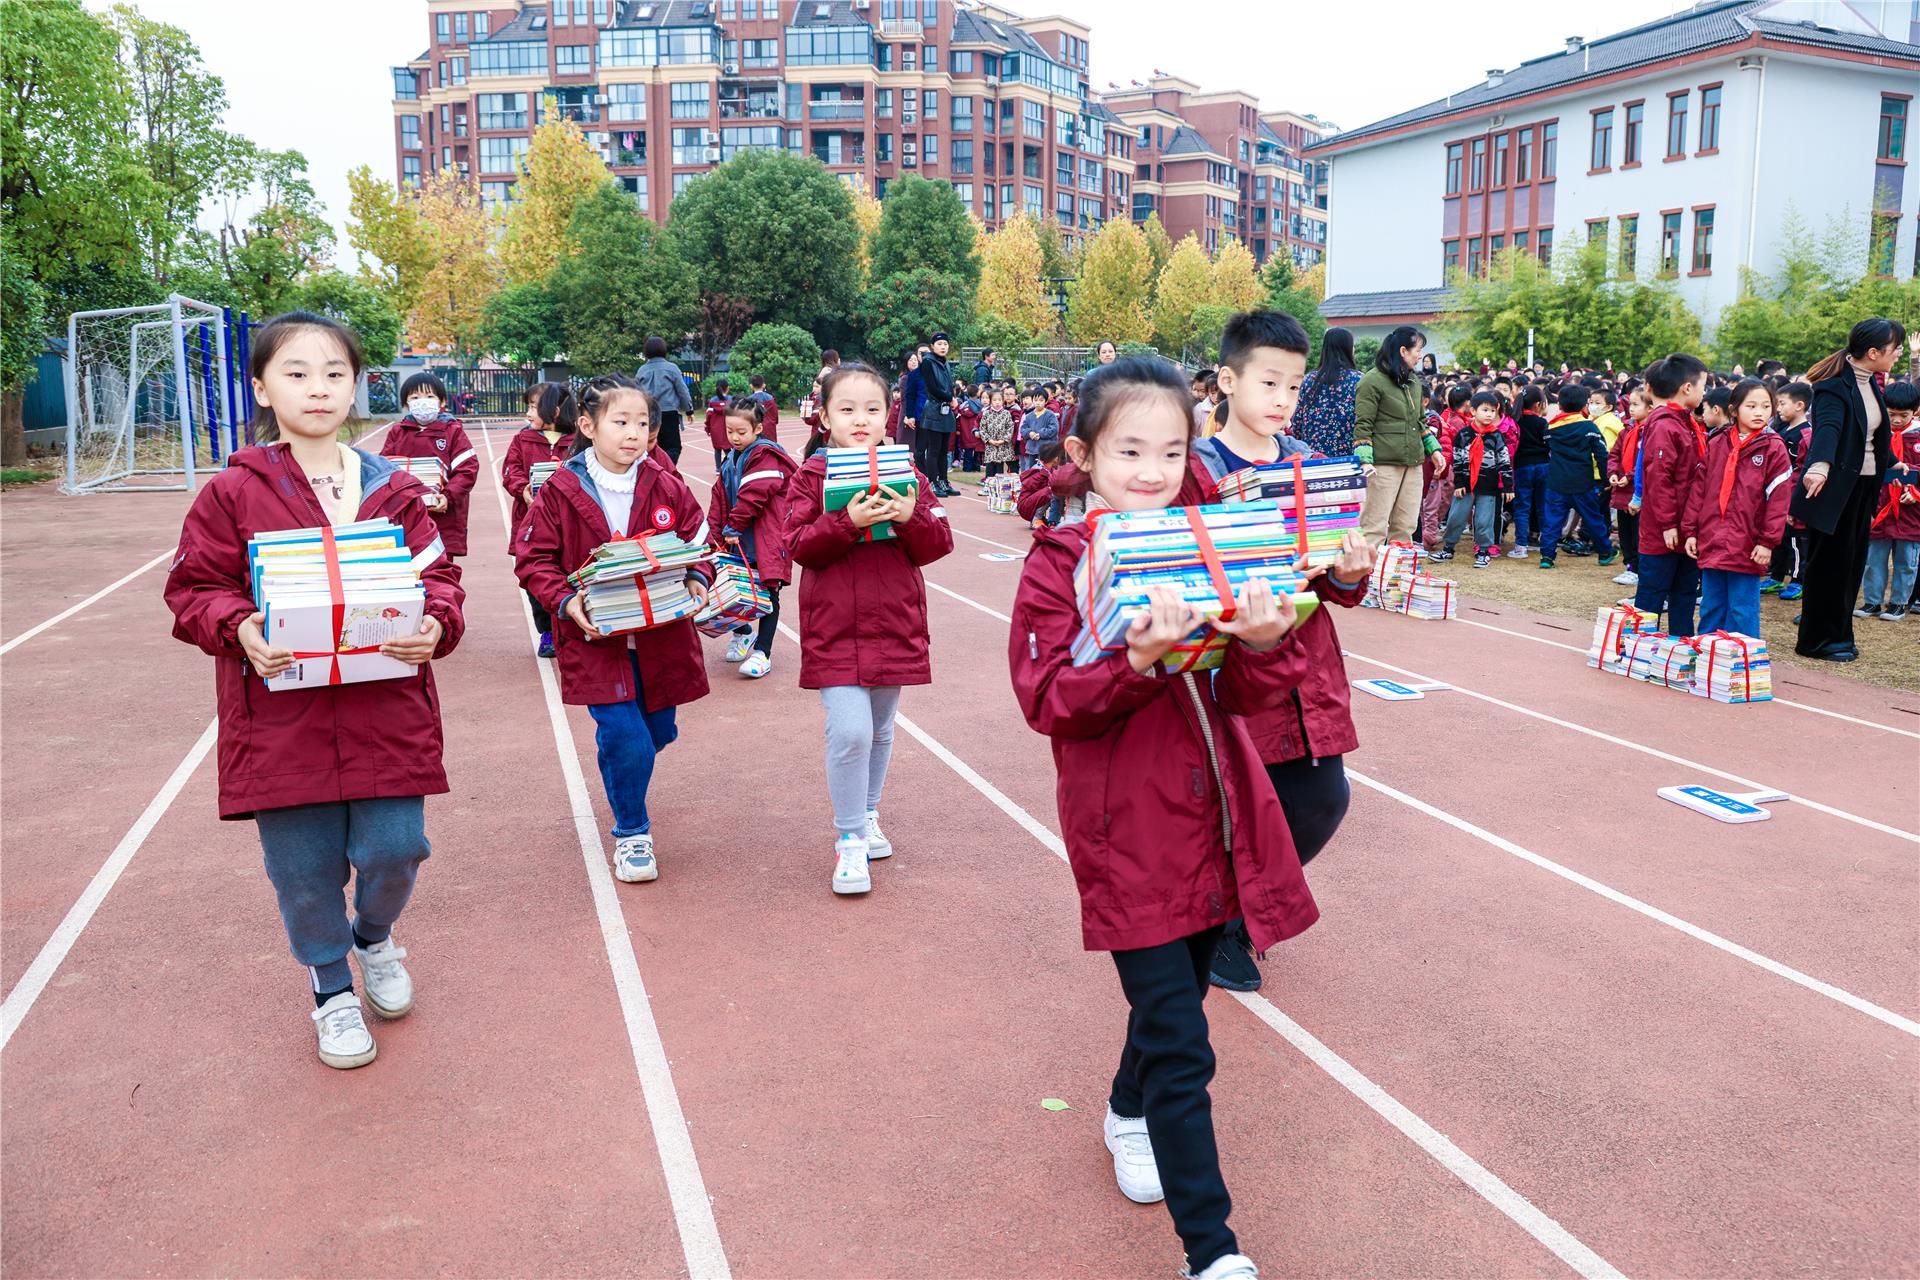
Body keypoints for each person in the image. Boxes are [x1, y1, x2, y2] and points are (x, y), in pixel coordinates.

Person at [1009, 354, 1314, 1280]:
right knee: (1185, 1039)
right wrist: (1133, 663)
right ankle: (1211, 1251)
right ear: (1085, 453)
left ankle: (1124, 1108)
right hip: (1127, 833)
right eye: (1129, 450)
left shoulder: (1208, 539)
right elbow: (1049, 701)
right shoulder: (1058, 563)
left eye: (1172, 452)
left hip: (1219, 818)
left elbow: (1252, 696)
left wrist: (1265, 643)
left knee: (1169, 1008)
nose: (1151, 471)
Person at [163, 311, 464, 1070]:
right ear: (262, 387)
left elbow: (439, 580)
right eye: (296, 373)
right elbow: (195, 587)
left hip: (386, 713)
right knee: (302, 873)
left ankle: (373, 937)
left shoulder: (392, 489)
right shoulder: (232, 492)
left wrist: (436, 624)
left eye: (334, 372)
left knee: (398, 849)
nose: (318, 388)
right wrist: (239, 628)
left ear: (357, 385)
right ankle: (331, 988)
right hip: (281, 723)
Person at [1183, 309, 1375, 995]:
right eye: (1269, 383)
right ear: (1228, 380)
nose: (1282, 401)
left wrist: (1349, 570)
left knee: (1322, 798)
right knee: (1225, 805)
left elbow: (1336, 587)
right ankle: (1209, 921)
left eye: (1294, 387)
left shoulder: (1312, 467)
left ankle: (1231, 917)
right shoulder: (1195, 471)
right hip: (1227, 665)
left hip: (1305, 664)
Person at [514, 374, 713, 885]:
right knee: (628, 739)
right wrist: (564, 601)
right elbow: (533, 558)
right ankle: (633, 832)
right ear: (588, 425)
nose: (633, 433)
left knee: (657, 733)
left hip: (660, 637)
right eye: (620, 421)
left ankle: (622, 760)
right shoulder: (562, 488)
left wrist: (696, 577)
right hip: (596, 639)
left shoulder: (666, 483)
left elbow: (699, 540)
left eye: (643, 424)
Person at [786, 362, 954, 895]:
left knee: (880, 729)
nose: (861, 419)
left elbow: (937, 546)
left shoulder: (910, 473)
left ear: (890, 414)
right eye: (847, 409)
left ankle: (869, 810)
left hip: (895, 619)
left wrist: (912, 516)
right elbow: (795, 545)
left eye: (873, 409)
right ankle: (850, 840)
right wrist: (845, 523)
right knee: (851, 731)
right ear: (826, 416)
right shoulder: (810, 475)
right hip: (834, 624)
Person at [1794, 319, 1909, 660]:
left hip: (1862, 489)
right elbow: (1828, 430)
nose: (1899, 353)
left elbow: (1868, 432)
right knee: (1829, 566)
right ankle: (1816, 641)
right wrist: (1819, 466)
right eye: (1895, 348)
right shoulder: (1833, 387)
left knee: (1850, 566)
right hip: (1834, 490)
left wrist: (1890, 462)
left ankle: (1839, 636)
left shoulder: (1871, 383)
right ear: (1873, 353)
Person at [1681, 378, 1792, 637]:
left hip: (1747, 542)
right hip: (1712, 536)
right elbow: (1699, 490)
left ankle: (1741, 664)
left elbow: (1778, 500)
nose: (1759, 412)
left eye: (1765, 406)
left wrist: (1767, 542)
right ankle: (1707, 657)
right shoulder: (1718, 442)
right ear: (1734, 410)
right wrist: (1691, 531)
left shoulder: (1773, 447)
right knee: (1711, 606)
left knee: (1743, 609)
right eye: (1751, 406)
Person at [708, 395, 796, 678]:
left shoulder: (765, 455)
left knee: (768, 593)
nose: (734, 437)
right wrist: (716, 531)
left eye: (741, 432)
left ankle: (763, 651)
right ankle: (744, 632)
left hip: (765, 539)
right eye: (730, 431)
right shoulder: (731, 459)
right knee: (732, 586)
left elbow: (753, 496)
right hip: (739, 539)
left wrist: (732, 526)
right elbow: (719, 496)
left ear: (758, 428)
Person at [1634, 354, 1711, 637]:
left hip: (1686, 527)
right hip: (1664, 530)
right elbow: (1659, 478)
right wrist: (1668, 523)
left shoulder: (1685, 422)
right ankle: (1638, 648)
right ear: (1687, 388)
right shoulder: (1665, 424)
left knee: (1684, 593)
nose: (1705, 392)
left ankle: (1681, 648)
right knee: (1652, 595)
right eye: (1703, 385)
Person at [501, 382, 579, 657]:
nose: (529, 412)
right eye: (529, 406)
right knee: (535, 577)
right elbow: (510, 471)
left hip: (568, 525)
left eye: (534, 406)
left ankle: (569, 626)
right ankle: (546, 630)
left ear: (555, 410)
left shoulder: (578, 441)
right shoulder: (522, 440)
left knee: (567, 573)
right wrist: (522, 489)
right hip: (530, 525)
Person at [1355, 325, 1443, 543]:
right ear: (1403, 351)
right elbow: (1363, 424)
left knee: (1406, 526)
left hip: (1412, 462)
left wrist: (1434, 450)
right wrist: (1365, 460)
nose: (1420, 356)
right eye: (1417, 350)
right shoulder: (1371, 381)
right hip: (1383, 464)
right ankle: (1366, 575)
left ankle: (1396, 575)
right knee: (1374, 526)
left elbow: (1420, 421)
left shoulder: (1413, 381)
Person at [382, 373, 478, 559]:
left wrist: (448, 497)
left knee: (442, 568)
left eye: (429, 396)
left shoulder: (453, 432)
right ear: (406, 404)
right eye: (415, 398)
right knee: (409, 565)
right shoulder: (397, 432)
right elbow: (384, 470)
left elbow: (467, 469)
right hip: (406, 512)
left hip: (443, 514)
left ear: (441, 401)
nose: (422, 402)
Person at [1538, 384, 1618, 569]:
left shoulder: (1551, 428)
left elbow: (1547, 448)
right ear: (1584, 405)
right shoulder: (1589, 427)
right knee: (1593, 518)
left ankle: (1547, 557)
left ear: (1560, 405)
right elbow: (1602, 454)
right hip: (1583, 482)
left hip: (1556, 482)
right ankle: (1605, 553)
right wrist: (1605, 480)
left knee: (1552, 521)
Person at [1858, 380, 1919, 621]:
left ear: (1914, 411)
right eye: (1890, 414)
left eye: (1902, 415)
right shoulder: (1874, 435)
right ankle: (1872, 601)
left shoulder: (1917, 436)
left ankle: (1898, 602)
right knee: (1874, 560)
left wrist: (1915, 493)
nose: (1895, 420)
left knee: (1906, 562)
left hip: (1911, 513)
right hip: (1880, 508)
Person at [1438, 392, 1513, 568]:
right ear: (1473, 411)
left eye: (1493, 411)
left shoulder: (1497, 436)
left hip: (1489, 487)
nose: (1489, 414)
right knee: (1456, 517)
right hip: (1465, 486)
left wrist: (1508, 486)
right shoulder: (1463, 435)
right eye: (1485, 410)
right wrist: (1459, 483)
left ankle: (1483, 552)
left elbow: (1504, 461)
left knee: (1483, 521)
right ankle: (1448, 548)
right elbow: (1457, 461)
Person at [1761, 382, 1814, 601]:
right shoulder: (1783, 431)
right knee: (1780, 538)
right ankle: (1776, 575)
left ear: (1800, 405)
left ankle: (1798, 580)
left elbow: (1803, 472)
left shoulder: (1805, 436)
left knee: (1796, 542)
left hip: (1795, 499)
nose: (1778, 409)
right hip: (1778, 497)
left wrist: (1795, 502)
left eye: (1782, 403)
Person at [1291, 326, 1362, 457]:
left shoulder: (1309, 380)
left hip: (1313, 457)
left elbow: (1297, 421)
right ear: (1348, 348)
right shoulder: (1359, 380)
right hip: (1348, 457)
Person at [1604, 384, 1650, 585]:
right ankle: (1630, 565)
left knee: (1637, 530)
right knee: (1624, 530)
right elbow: (1614, 453)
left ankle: (1639, 568)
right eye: (1630, 404)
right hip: (1622, 489)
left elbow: (1645, 461)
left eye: (1636, 405)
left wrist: (1630, 476)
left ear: (1650, 407)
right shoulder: (1627, 429)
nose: (1631, 408)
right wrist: (1613, 472)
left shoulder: (1649, 431)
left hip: (1637, 489)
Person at [634, 336, 695, 462]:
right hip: (669, 413)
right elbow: (682, 390)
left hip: (648, 414)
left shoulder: (642, 370)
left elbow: (636, 393)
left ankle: (653, 470)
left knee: (649, 446)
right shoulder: (672, 368)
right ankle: (666, 471)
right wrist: (689, 410)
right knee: (673, 447)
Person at [916, 332, 959, 497]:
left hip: (946, 409)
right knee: (933, 449)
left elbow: (948, 385)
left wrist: (951, 397)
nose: (943, 347)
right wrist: (950, 398)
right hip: (934, 408)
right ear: (933, 346)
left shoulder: (945, 363)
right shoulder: (928, 362)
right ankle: (932, 482)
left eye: (945, 344)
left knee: (944, 449)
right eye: (940, 344)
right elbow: (933, 387)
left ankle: (943, 481)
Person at [1511, 385, 1551, 558]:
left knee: (1522, 507)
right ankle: (1547, 546)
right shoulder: (1541, 422)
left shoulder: (1515, 421)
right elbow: (1549, 445)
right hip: (1543, 466)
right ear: (1538, 404)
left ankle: (1521, 546)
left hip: (1522, 467)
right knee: (1543, 507)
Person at [979, 388, 1017, 481]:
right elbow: (982, 429)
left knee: (999, 467)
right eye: (994, 400)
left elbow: (1010, 428)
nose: (997, 402)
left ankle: (998, 488)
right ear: (990, 401)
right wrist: (989, 440)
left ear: (1003, 401)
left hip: (1002, 445)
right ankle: (988, 487)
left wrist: (1003, 440)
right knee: (990, 466)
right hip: (990, 445)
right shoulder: (986, 413)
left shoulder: (1006, 413)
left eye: (999, 400)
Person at [1020, 388, 1060, 471]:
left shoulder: (1050, 415)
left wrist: (1040, 434)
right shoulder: (1029, 416)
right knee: (1033, 472)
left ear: (1045, 401)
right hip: (1032, 449)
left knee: (1046, 471)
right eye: (1035, 400)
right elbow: (1023, 429)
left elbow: (1054, 429)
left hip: (1046, 450)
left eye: (1041, 400)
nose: (1038, 402)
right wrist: (1029, 433)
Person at [703, 378, 733, 462]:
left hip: (715, 429)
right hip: (729, 428)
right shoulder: (731, 400)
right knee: (728, 449)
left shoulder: (712, 401)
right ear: (727, 388)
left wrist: (707, 428)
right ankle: (732, 465)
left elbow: (709, 416)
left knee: (717, 449)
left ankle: (718, 468)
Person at [746, 374, 780, 446]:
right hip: (769, 429)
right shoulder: (770, 398)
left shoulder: (749, 400)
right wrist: (775, 422)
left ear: (751, 386)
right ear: (764, 385)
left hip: (755, 429)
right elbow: (775, 414)